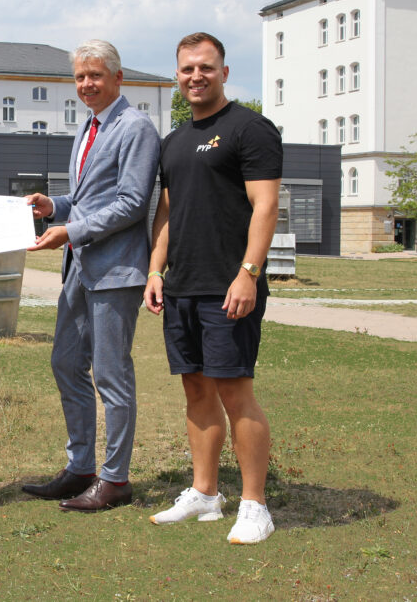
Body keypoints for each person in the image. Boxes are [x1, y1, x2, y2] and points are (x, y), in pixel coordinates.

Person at [144, 32, 282, 544]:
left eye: (205, 67)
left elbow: (265, 206)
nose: (196, 77)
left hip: (230, 286)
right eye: (186, 69)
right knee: (195, 388)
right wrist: (157, 270)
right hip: (181, 285)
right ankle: (205, 493)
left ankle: (254, 505)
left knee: (235, 390)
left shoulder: (251, 129)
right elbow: (167, 211)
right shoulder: (174, 140)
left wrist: (249, 271)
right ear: (177, 76)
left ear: (224, 71)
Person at [22, 40, 161, 512]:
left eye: (96, 75)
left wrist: (71, 229)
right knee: (65, 362)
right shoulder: (87, 126)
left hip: (116, 270)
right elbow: (87, 197)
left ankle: (115, 479)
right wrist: (53, 206)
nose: (86, 84)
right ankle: (81, 467)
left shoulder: (136, 127)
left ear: (118, 79)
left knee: (111, 375)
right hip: (80, 265)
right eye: (80, 77)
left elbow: (131, 203)